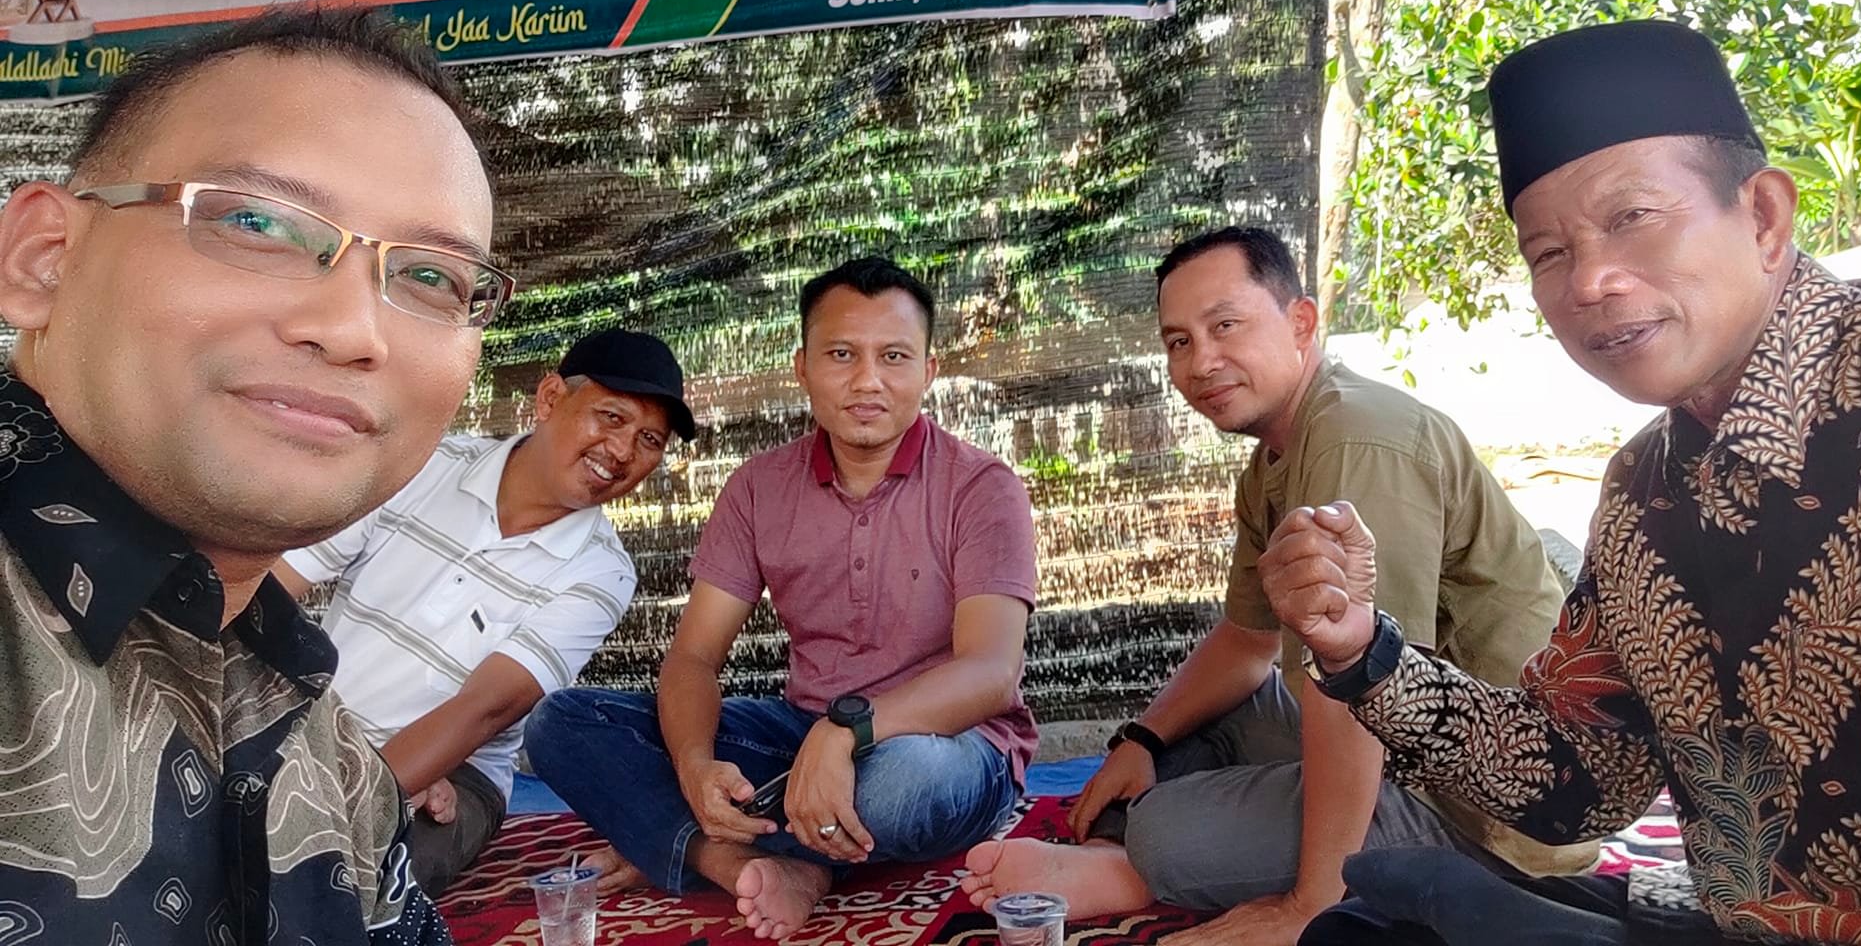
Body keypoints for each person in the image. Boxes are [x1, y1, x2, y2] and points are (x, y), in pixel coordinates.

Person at [1265, 19, 1861, 946]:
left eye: (1632, 218)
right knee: (1366, 929)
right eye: (1549, 253)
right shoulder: (1647, 485)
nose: (1590, 281)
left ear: (1764, 216)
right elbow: (1578, 779)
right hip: (1739, 922)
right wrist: (1361, 649)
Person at [0, 8, 509, 944]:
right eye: (256, 222)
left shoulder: (326, 753)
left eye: (432, 278)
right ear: (45, 260)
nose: (352, 330)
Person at [961, 226, 1593, 946]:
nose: (1201, 361)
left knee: (1167, 832)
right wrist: (1140, 737)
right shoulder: (1277, 454)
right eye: (1178, 342)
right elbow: (1246, 641)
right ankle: (1121, 857)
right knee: (1194, 720)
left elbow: (1364, 686)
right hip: (1407, 743)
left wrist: (1310, 906)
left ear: (1301, 321)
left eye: (1225, 326)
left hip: (1494, 810)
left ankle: (1127, 870)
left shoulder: (1357, 438)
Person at [524, 255, 1037, 942]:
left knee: (903, 782)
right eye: (841, 354)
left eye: (893, 357)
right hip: (801, 735)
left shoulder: (982, 487)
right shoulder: (759, 488)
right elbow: (694, 658)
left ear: (928, 371)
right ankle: (736, 858)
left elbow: (991, 673)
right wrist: (695, 767)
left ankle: (697, 847)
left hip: (947, 747)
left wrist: (846, 732)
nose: (867, 380)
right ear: (802, 368)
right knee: (562, 722)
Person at [276, 327, 694, 896]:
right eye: (611, 418)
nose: (622, 452)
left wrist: (372, 792)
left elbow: (486, 708)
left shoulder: (601, 572)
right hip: (312, 725)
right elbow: (276, 586)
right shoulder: (423, 464)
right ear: (550, 399)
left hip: (457, 770)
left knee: (334, 881)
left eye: (649, 439)